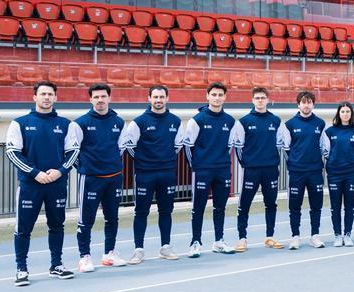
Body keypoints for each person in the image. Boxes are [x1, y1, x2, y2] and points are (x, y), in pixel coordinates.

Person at [7, 81, 81, 285]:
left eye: (50, 94)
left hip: (56, 184)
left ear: (56, 98)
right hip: (30, 185)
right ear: (34, 97)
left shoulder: (67, 124)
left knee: (57, 225)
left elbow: (73, 152)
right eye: (43, 94)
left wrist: (60, 171)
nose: (46, 97)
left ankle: (56, 265)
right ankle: (21, 269)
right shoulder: (19, 123)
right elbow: (12, 153)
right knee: (23, 228)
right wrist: (35, 173)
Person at [121, 85, 182, 264]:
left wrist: (165, 160)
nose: (158, 100)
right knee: (141, 211)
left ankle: (166, 247)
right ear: (149, 98)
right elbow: (129, 145)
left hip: (167, 174)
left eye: (161, 97)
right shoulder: (139, 122)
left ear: (167, 98)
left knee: (166, 211)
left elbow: (177, 146)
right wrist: (143, 160)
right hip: (145, 174)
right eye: (155, 97)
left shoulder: (176, 121)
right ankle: (138, 250)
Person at [177, 82, 237, 257]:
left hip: (222, 170)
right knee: (199, 208)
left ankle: (219, 241)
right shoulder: (198, 120)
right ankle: (195, 242)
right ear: (207, 96)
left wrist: (222, 162)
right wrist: (196, 166)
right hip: (203, 170)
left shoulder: (230, 121)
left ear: (225, 97)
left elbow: (229, 146)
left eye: (220, 95)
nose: (217, 98)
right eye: (214, 95)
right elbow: (188, 146)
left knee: (220, 207)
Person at [74, 83, 127, 272]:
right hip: (90, 178)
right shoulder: (80, 123)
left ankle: (109, 254)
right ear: (90, 99)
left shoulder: (119, 122)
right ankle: (84, 257)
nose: (100, 100)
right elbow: (73, 152)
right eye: (96, 97)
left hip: (113, 178)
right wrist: (85, 168)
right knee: (85, 220)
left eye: (103, 96)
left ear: (109, 98)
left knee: (112, 218)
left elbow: (120, 149)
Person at [230, 87, 285, 252]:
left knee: (271, 204)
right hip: (251, 170)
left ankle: (270, 236)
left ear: (268, 100)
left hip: (270, 170)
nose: (260, 100)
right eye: (257, 98)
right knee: (244, 204)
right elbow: (238, 147)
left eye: (263, 98)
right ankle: (242, 239)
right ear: (253, 100)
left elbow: (280, 145)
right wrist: (246, 164)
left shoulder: (276, 121)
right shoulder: (244, 121)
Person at [276, 90, 327, 250]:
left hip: (315, 171)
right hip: (297, 172)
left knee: (316, 205)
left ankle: (315, 235)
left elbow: (323, 147)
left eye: (309, 102)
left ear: (313, 104)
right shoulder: (289, 124)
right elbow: (287, 149)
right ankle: (295, 236)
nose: (306, 105)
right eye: (303, 102)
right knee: (295, 205)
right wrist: (295, 163)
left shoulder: (320, 123)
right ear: (298, 104)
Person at [322, 101, 354, 247]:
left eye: (348, 112)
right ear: (339, 114)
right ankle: (338, 235)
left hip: (351, 174)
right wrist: (333, 164)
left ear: (351, 114)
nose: (345, 114)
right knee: (335, 206)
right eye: (342, 111)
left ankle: (348, 234)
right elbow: (325, 152)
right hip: (334, 174)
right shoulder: (329, 132)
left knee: (349, 205)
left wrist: (353, 164)